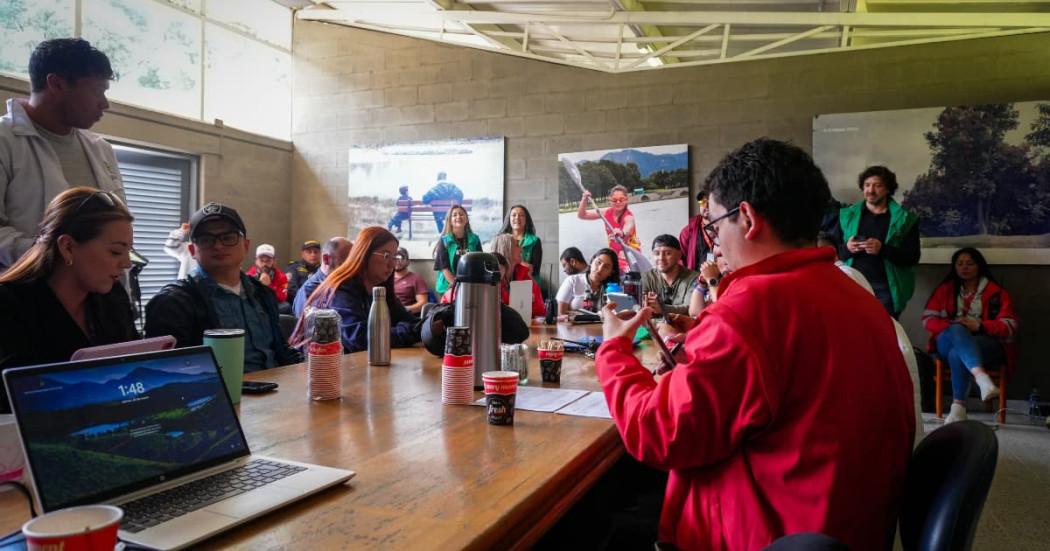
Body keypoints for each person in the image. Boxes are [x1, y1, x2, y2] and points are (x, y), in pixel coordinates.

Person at [595, 138, 914, 550]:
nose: (712, 243)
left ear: (745, 217)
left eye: (711, 224)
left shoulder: (751, 308)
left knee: (584, 519)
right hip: (841, 526)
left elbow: (656, 434)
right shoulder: (856, 295)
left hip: (766, 533)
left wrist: (614, 351)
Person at [0, 187, 137, 413]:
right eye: (115, 252)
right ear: (68, 247)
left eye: (128, 252)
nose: (126, 264)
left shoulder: (113, 298)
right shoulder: (9, 305)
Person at [1, 38, 123, 270]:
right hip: (27, 295)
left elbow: (116, 227)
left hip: (98, 298)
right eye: (97, 90)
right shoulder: (5, 141)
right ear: (56, 84)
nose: (104, 104)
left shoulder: (101, 149)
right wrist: (57, 257)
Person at [144, 202, 301, 372]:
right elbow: (171, 375)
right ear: (192, 250)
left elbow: (281, 351)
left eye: (228, 238)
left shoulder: (262, 294)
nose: (218, 246)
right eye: (206, 239)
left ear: (246, 246)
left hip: (280, 391)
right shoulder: (172, 304)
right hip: (224, 396)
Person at [922, 247, 1017, 424]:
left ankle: (958, 407)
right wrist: (955, 325)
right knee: (957, 330)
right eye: (960, 264)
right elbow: (928, 319)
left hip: (986, 342)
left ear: (979, 266)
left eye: (970, 263)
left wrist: (980, 326)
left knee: (956, 353)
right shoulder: (945, 290)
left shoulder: (997, 292)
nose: (964, 267)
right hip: (946, 339)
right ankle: (981, 377)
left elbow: (1009, 326)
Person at [294, 226, 419, 353]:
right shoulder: (336, 289)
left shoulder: (377, 286)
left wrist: (415, 327)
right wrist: (408, 330)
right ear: (363, 256)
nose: (392, 264)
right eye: (386, 255)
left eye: (394, 257)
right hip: (324, 366)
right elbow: (359, 339)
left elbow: (410, 322)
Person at [836, 166, 920, 318]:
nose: (871, 190)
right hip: (853, 285)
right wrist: (847, 248)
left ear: (888, 189)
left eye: (878, 185)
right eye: (867, 185)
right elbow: (833, 253)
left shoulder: (906, 220)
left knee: (886, 336)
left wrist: (882, 249)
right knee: (852, 334)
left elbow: (912, 257)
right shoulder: (846, 215)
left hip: (886, 289)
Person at [421, 253, 529, 356]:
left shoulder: (499, 313)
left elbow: (522, 332)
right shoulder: (450, 312)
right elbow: (427, 336)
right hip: (460, 362)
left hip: (481, 360)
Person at [577, 184, 641, 273]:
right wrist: (584, 199)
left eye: (621, 199)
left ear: (626, 200)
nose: (618, 202)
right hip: (614, 254)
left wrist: (622, 232)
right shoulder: (606, 212)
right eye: (614, 200)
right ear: (610, 201)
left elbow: (629, 226)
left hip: (630, 253)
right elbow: (582, 215)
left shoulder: (628, 216)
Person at [292, 236, 352, 318]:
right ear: (326, 259)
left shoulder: (349, 283)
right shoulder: (310, 291)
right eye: (346, 262)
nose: (352, 267)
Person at [641, 235, 698, 317]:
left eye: (668, 253)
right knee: (638, 329)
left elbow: (689, 308)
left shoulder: (693, 278)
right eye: (656, 253)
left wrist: (663, 308)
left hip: (682, 327)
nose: (661, 258)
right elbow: (639, 305)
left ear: (679, 255)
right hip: (652, 326)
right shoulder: (647, 277)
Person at [490, 234, 545, 318]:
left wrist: (531, 303)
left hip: (526, 327)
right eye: (517, 245)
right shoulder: (490, 280)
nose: (521, 249)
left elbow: (541, 311)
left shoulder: (524, 275)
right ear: (506, 249)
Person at [555, 248, 621, 315]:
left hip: (601, 325)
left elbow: (615, 314)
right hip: (573, 325)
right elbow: (559, 314)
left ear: (610, 272)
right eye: (598, 262)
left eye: (606, 267)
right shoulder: (572, 281)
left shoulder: (612, 289)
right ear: (592, 262)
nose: (600, 269)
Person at [433, 205, 481, 294]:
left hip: (470, 286)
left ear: (466, 219)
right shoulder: (444, 241)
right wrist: (457, 287)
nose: (458, 216)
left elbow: (479, 265)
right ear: (450, 221)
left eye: (461, 214)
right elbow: (444, 268)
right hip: (449, 287)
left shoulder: (475, 239)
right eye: (454, 215)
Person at [498, 204, 543, 279]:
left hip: (527, 282)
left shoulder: (535, 241)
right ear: (509, 219)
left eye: (521, 215)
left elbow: (535, 270)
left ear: (526, 219)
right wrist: (521, 263)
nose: (517, 218)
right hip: (504, 281)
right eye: (514, 215)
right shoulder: (501, 239)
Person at [679, 191, 714, 271]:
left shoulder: (727, 227)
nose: (706, 206)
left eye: (710, 202)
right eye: (703, 202)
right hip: (697, 280)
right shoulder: (687, 232)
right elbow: (681, 262)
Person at [392, 247, 429, 315]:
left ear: (408, 262)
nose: (398, 261)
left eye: (401, 258)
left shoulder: (416, 279)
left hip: (405, 316)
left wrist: (404, 310)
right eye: (395, 258)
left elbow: (423, 303)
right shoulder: (385, 278)